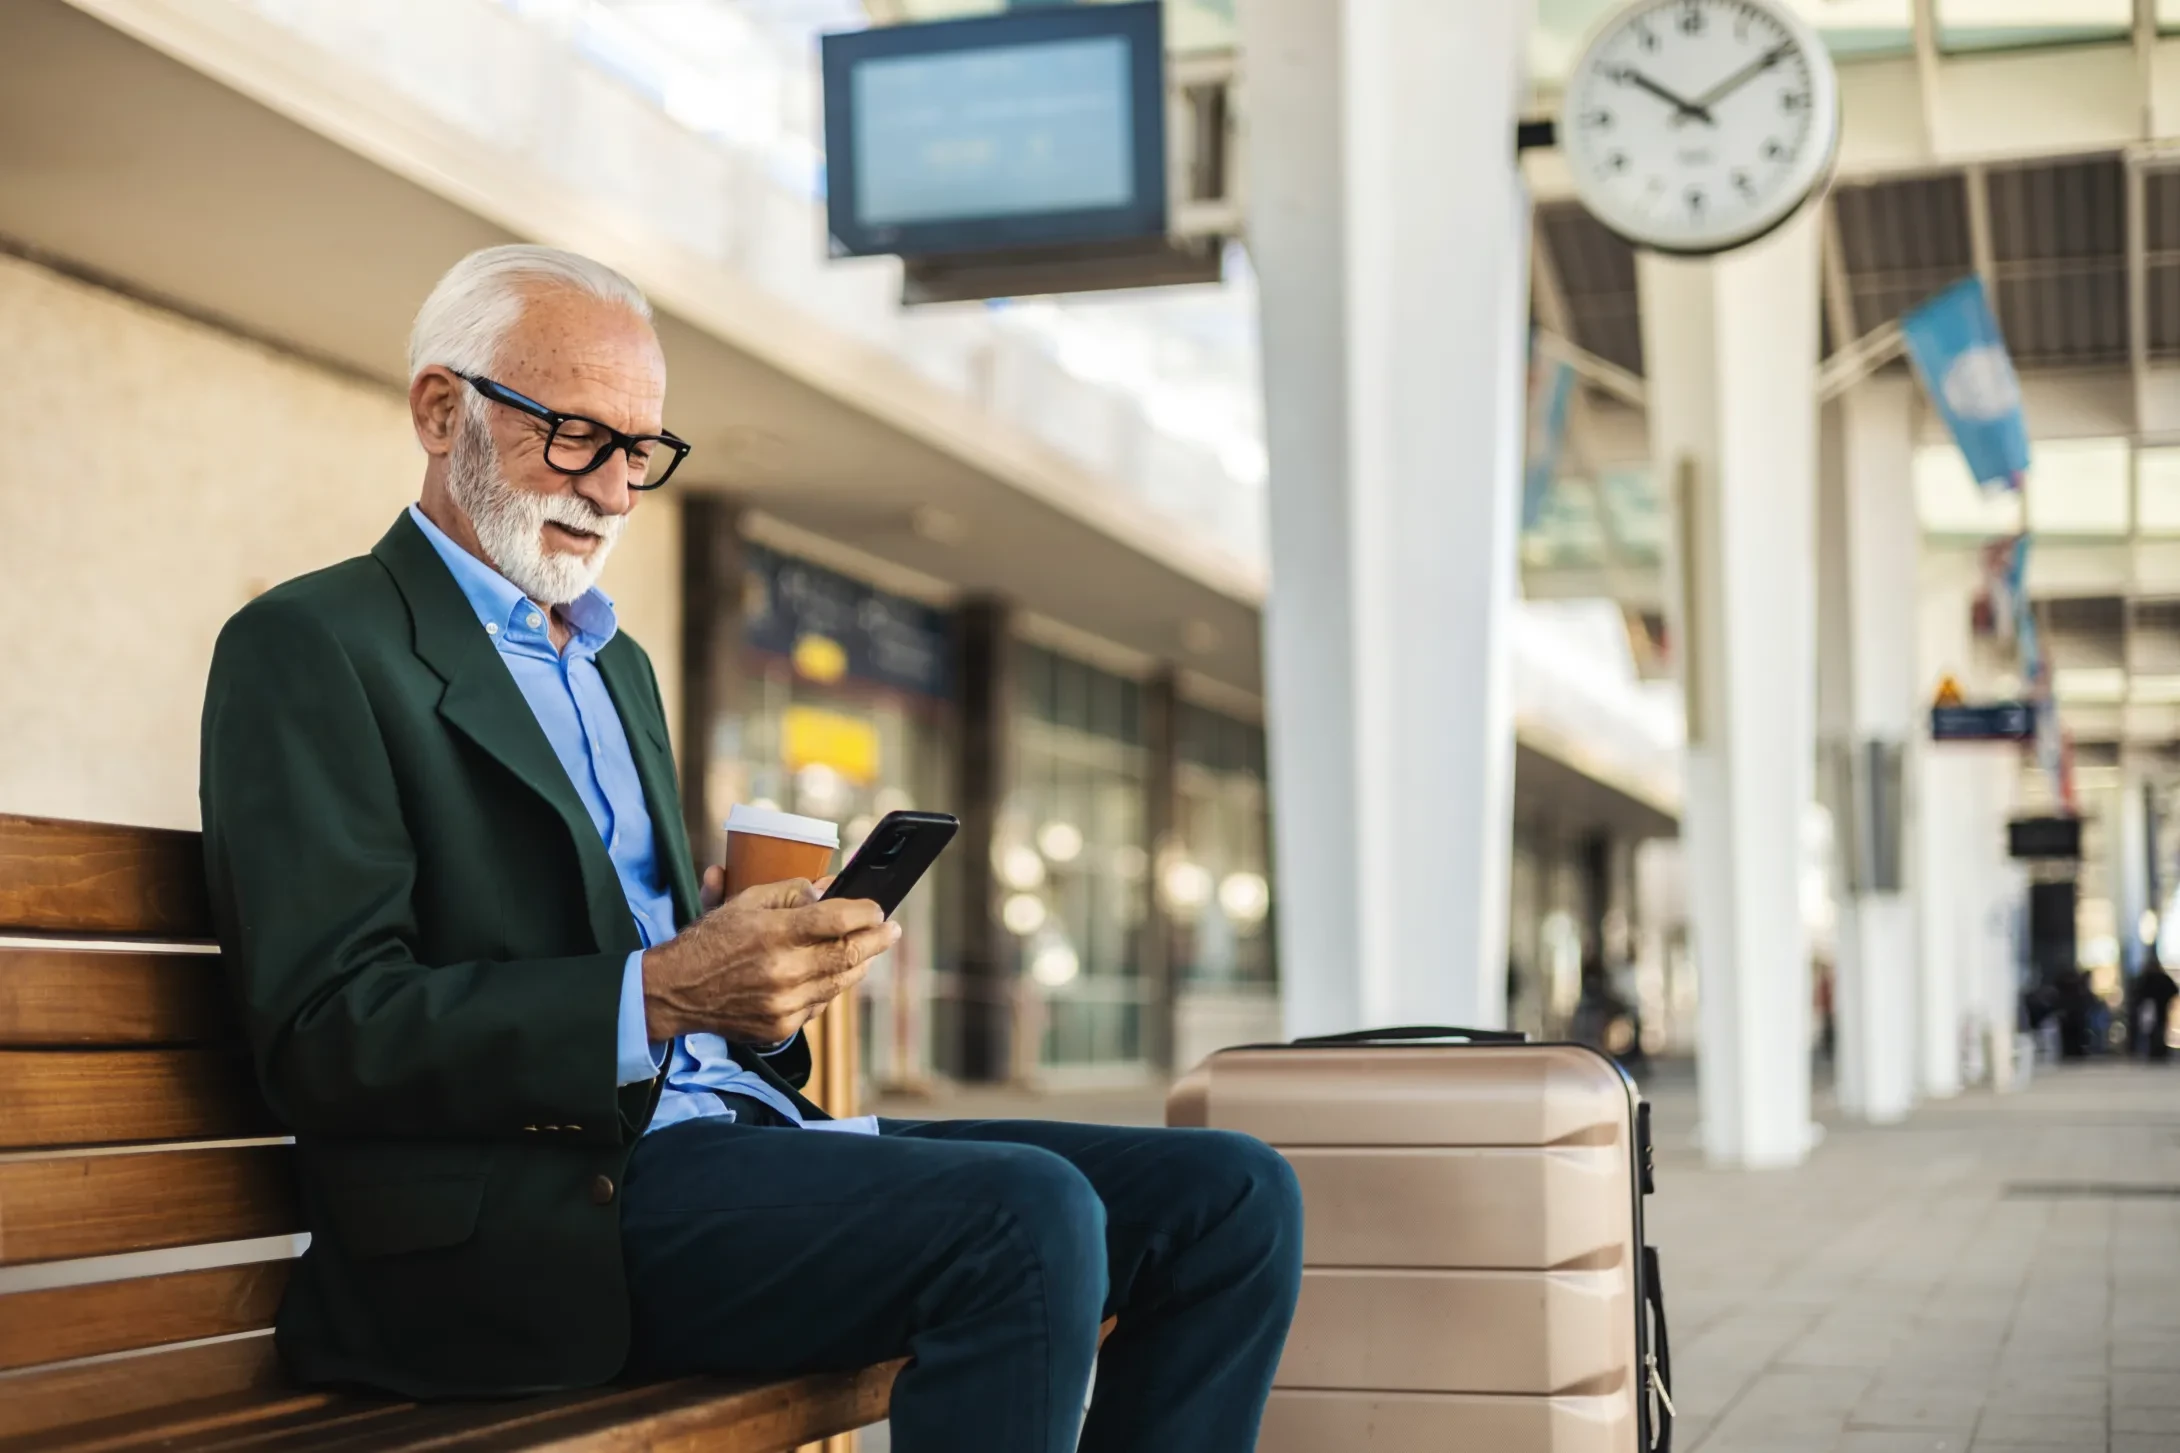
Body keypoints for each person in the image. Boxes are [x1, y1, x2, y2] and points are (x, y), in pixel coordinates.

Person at [198, 246, 1303, 1453]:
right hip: (528, 1220)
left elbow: (648, 968)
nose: (615, 491)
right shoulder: (312, 644)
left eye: (640, 451)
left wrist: (758, 987)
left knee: (1232, 1195)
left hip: (725, 1143)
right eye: (576, 435)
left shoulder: (613, 663)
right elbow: (325, 1031)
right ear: (439, 407)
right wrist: (662, 990)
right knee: (1020, 1214)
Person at [2129, 948, 2178, 1061]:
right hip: (2157, 1009)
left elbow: (2138, 993)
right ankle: (2158, 1051)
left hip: (2154, 1008)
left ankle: (2155, 1051)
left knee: (2153, 1030)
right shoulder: (2159, 978)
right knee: (2155, 1030)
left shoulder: (2148, 978)